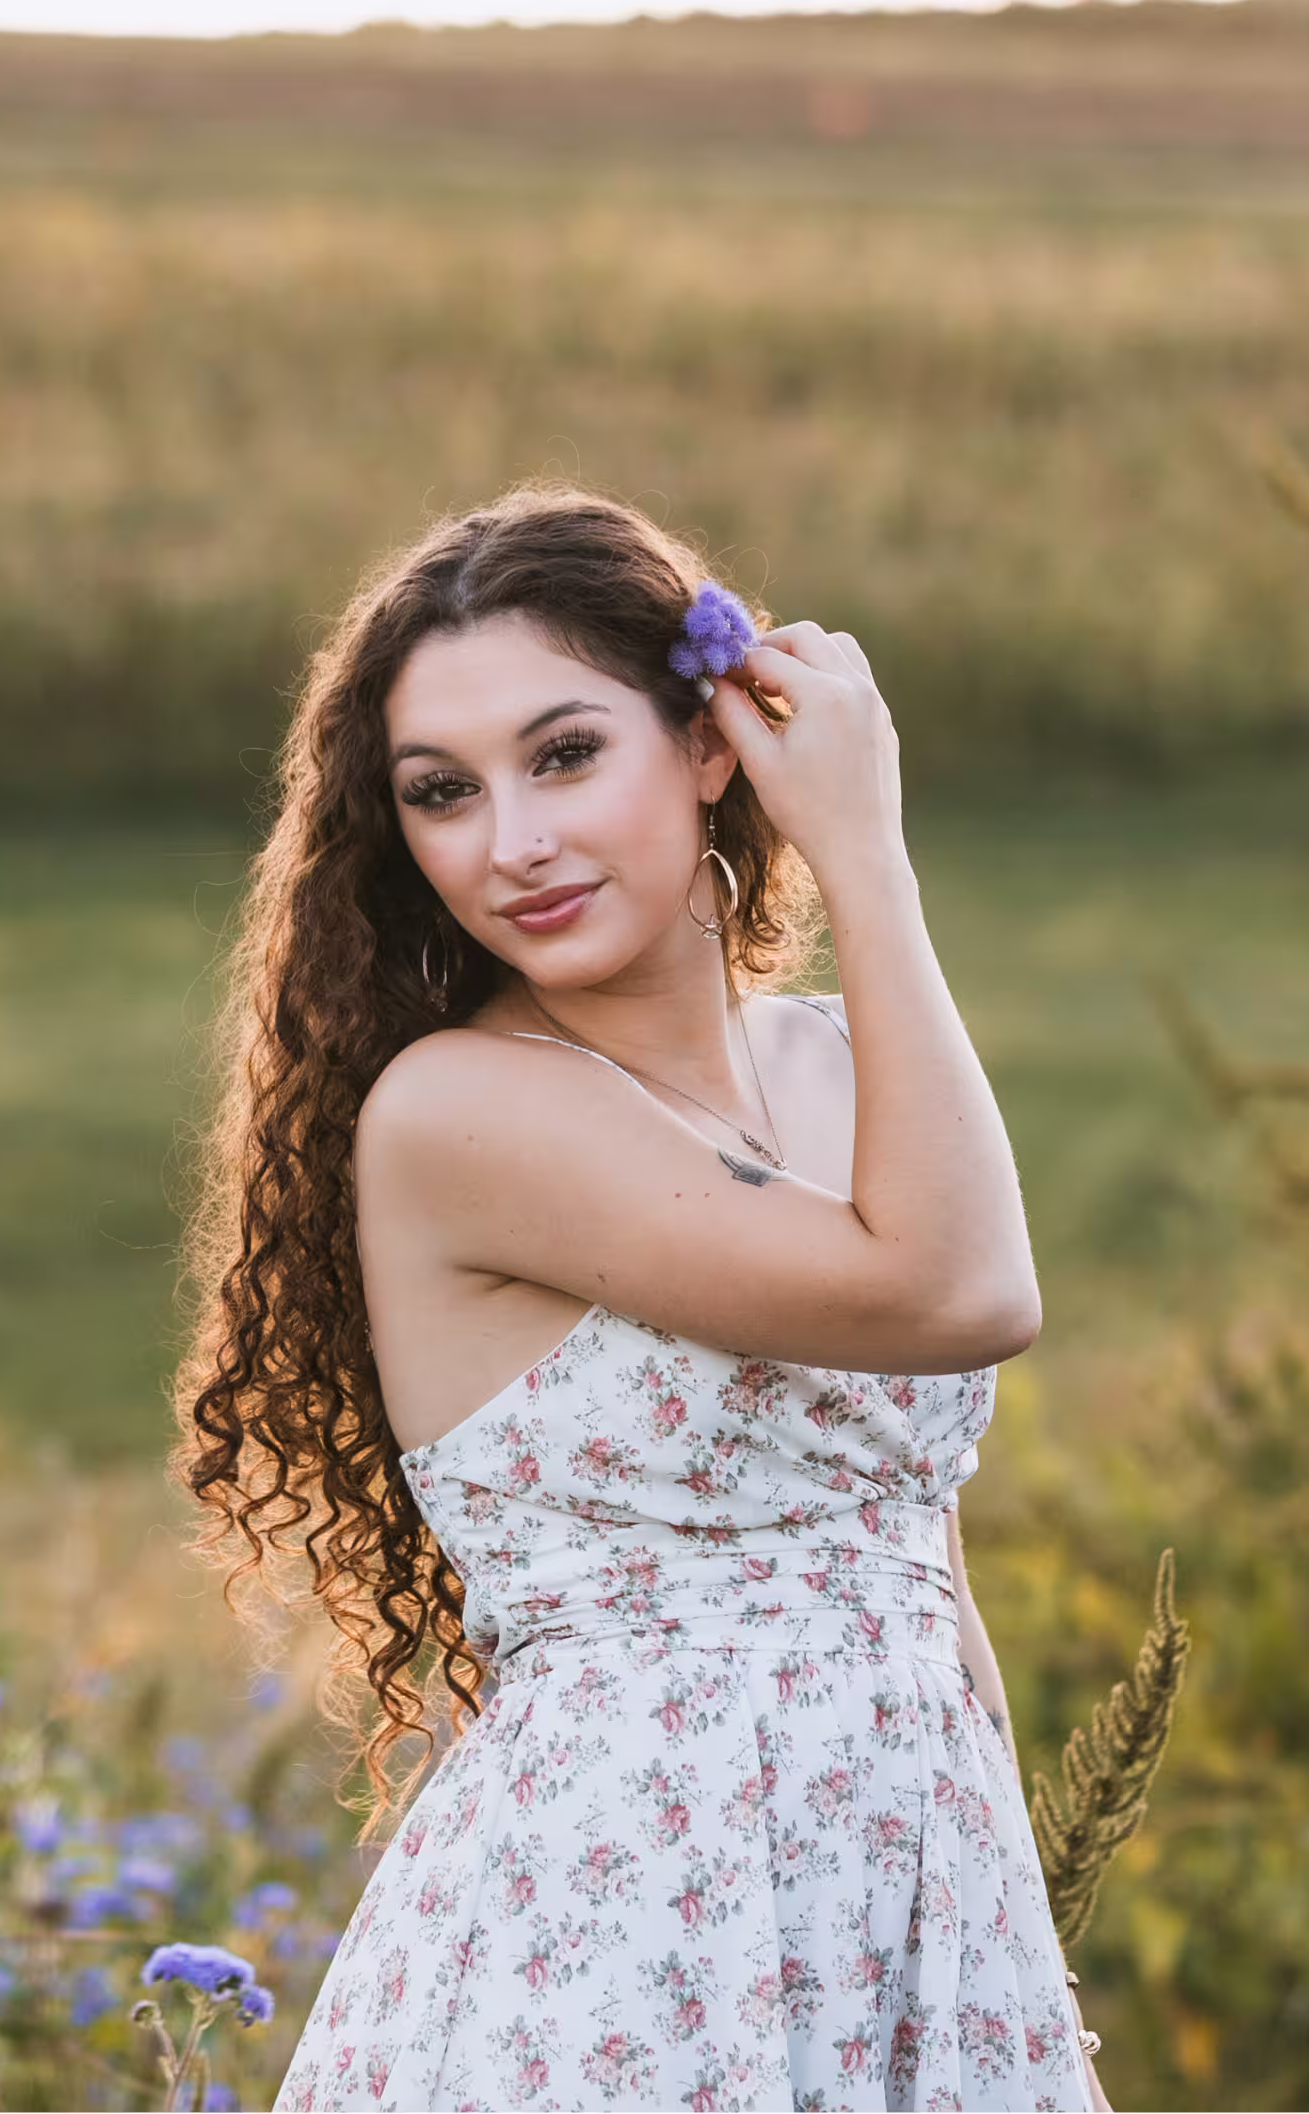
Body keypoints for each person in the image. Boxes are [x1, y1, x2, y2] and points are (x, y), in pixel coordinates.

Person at [173, 482, 1106, 2110]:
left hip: (904, 1915)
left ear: (705, 743)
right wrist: (862, 849)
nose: (510, 842)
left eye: (562, 755)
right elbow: (960, 1289)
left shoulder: (838, 1069)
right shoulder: (462, 1115)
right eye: (441, 792)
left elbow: (916, 1566)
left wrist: (1007, 1969)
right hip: (618, 1945)